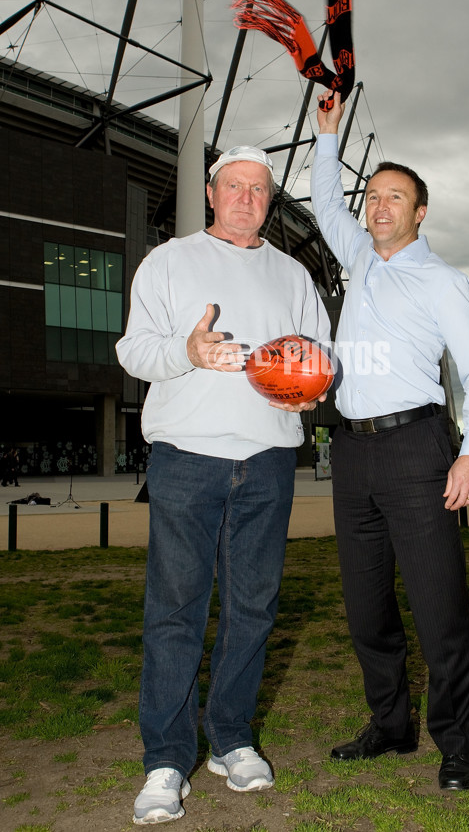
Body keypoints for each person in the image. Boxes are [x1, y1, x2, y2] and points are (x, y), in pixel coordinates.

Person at [116, 145, 330, 825]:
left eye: (259, 189)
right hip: (188, 458)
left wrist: (311, 389)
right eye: (234, 185)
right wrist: (188, 351)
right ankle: (167, 758)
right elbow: (132, 350)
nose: (246, 197)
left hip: (268, 461)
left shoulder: (294, 274)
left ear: (270, 201)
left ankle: (232, 740)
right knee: (176, 610)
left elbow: (320, 357)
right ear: (211, 193)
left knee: (253, 610)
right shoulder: (169, 262)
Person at [310, 91, 469, 791]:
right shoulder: (360, 255)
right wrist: (328, 136)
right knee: (366, 609)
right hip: (352, 453)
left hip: (418, 449)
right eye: (375, 196)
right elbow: (324, 206)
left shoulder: (442, 281)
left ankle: (457, 742)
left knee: (439, 605)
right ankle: (391, 727)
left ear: (420, 213)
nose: (379, 206)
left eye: (396, 197)